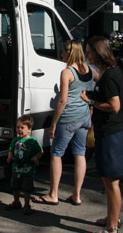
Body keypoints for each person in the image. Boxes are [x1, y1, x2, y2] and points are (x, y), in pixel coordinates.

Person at [33, 40, 94, 206]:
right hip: (84, 117)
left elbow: (62, 100)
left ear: (70, 52)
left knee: (56, 153)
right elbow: (90, 90)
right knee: (80, 154)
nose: (61, 55)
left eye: (63, 52)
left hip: (68, 118)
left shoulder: (67, 72)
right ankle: (77, 194)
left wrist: (53, 123)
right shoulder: (89, 70)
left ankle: (53, 194)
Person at [80, 36, 123, 233]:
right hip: (109, 132)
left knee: (111, 182)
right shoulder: (110, 73)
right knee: (108, 180)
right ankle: (112, 218)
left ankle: (111, 229)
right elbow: (122, 92)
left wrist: (91, 101)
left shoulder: (109, 76)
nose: (87, 55)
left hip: (111, 133)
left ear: (98, 53)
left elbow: (115, 105)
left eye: (89, 52)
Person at [6, 114, 43, 215]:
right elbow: (10, 149)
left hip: (28, 170)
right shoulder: (15, 140)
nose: (19, 130)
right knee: (15, 186)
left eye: (22, 128)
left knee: (27, 189)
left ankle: (27, 205)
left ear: (29, 129)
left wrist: (36, 158)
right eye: (18, 127)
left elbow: (40, 151)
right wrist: (10, 156)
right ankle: (16, 202)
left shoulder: (33, 141)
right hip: (16, 168)